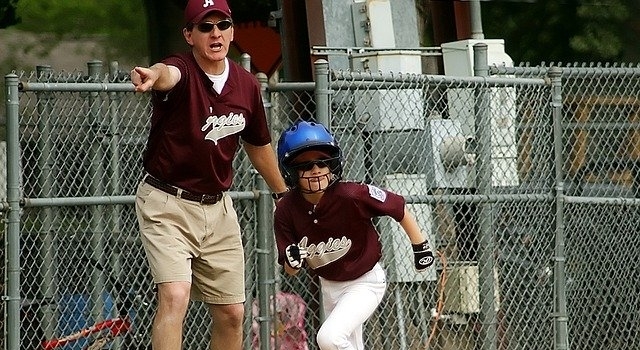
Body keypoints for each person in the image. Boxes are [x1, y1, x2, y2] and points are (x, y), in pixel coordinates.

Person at [129, 0, 288, 349]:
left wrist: (282, 195)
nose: (215, 33)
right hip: (167, 202)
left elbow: (258, 145)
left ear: (232, 32)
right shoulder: (181, 69)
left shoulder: (246, 84)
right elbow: (166, 73)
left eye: (222, 25)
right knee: (175, 294)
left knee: (232, 312)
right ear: (189, 35)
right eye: (205, 27)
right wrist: (153, 76)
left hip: (218, 210)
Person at [273, 120, 436, 350]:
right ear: (291, 172)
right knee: (344, 344)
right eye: (305, 165)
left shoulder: (351, 194)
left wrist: (420, 246)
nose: (316, 169)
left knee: (328, 339)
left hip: (366, 281)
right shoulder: (286, 209)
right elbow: (291, 271)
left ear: (333, 165)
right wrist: (292, 260)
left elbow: (397, 206)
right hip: (329, 285)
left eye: (322, 162)